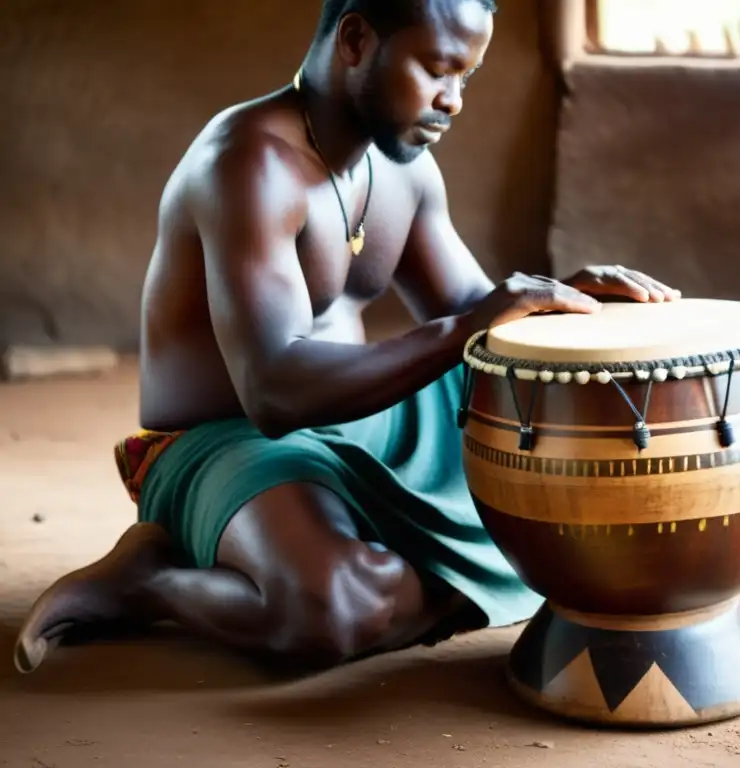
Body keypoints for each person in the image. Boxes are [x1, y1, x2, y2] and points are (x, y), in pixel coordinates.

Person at [14, 0, 681, 674]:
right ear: (357, 39)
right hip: (231, 440)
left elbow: (471, 312)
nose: (453, 101)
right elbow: (273, 392)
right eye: (437, 70)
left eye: (466, 78)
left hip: (361, 414)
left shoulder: (404, 169)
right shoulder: (248, 162)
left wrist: (562, 298)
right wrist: (474, 325)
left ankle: (426, 580)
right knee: (328, 613)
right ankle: (149, 580)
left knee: (565, 515)